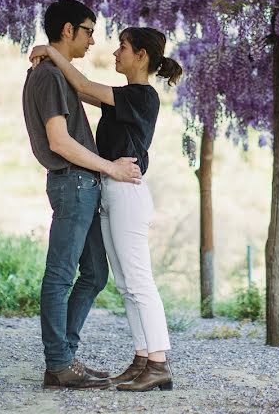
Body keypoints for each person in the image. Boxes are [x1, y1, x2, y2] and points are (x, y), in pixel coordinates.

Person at [29, 26, 183, 392]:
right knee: (127, 284)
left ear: (141, 56)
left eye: (123, 48)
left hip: (127, 191)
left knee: (139, 280)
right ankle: (142, 358)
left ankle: (159, 362)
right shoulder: (125, 96)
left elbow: (81, 86)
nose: (116, 54)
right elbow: (80, 91)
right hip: (112, 189)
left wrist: (52, 53)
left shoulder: (143, 96)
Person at [22, 0, 142, 390]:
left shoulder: (56, 72)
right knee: (60, 275)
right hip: (73, 182)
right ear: (69, 30)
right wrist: (111, 169)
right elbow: (59, 142)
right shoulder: (50, 78)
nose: (93, 39)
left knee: (94, 273)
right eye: (89, 30)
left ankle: (65, 358)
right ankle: (59, 363)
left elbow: (86, 87)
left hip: (82, 185)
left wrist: (52, 54)